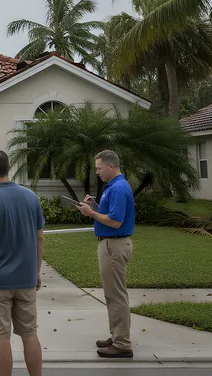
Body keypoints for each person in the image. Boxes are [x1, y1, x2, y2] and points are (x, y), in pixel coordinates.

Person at [0, 149, 44, 376]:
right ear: (9, 167)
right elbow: (39, 236)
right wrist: (37, 271)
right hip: (25, 278)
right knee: (29, 333)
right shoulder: (31, 197)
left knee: (0, 337)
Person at [77, 149, 135, 359]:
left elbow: (115, 221)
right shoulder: (114, 187)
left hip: (114, 245)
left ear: (111, 166)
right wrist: (94, 206)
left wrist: (91, 213)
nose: (97, 172)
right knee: (112, 295)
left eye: (100, 168)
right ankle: (118, 336)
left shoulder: (118, 188)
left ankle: (122, 344)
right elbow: (109, 213)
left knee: (116, 295)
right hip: (110, 244)